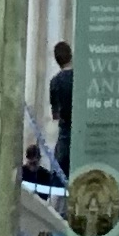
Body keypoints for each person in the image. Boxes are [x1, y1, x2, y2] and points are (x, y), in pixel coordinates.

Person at [48, 37, 73, 170]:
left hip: (64, 132)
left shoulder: (55, 82)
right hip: (81, 130)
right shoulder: (80, 78)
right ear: (71, 55)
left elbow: (55, 115)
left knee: (58, 171)